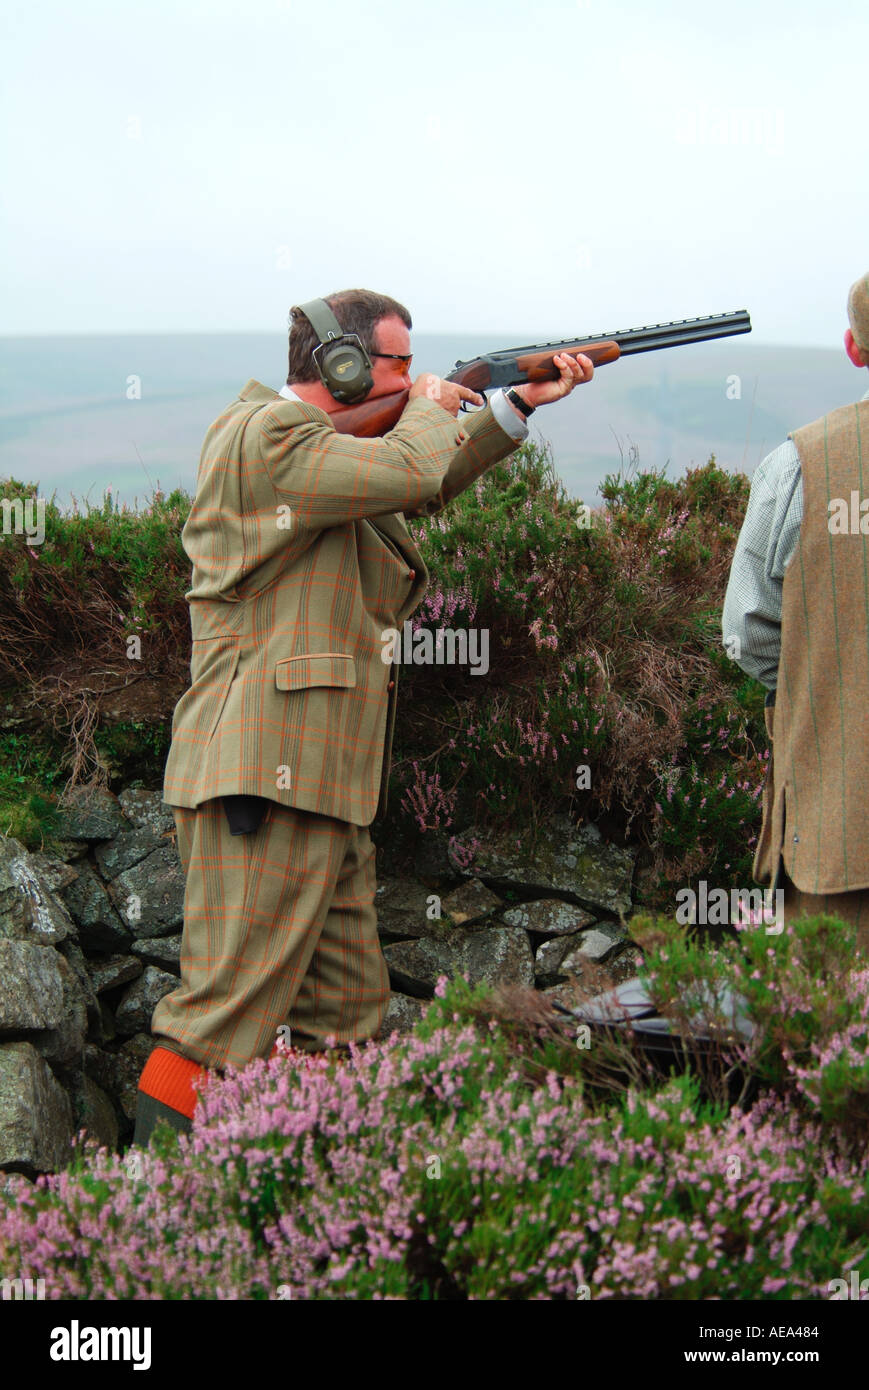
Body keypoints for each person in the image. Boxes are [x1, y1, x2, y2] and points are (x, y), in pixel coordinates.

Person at [132, 288, 594, 1144]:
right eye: (397, 364)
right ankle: (131, 1222)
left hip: (326, 781)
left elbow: (413, 481)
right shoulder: (266, 435)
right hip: (264, 769)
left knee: (344, 1020)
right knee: (218, 1019)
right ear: (340, 364)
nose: (414, 378)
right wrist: (429, 408)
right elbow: (410, 468)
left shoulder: (316, 457)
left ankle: (313, 1211)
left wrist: (514, 405)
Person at [722, 272, 869, 946]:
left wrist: (821, 696)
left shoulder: (799, 465)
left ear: (852, 348)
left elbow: (747, 633)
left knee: (827, 1034)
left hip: (837, 828)